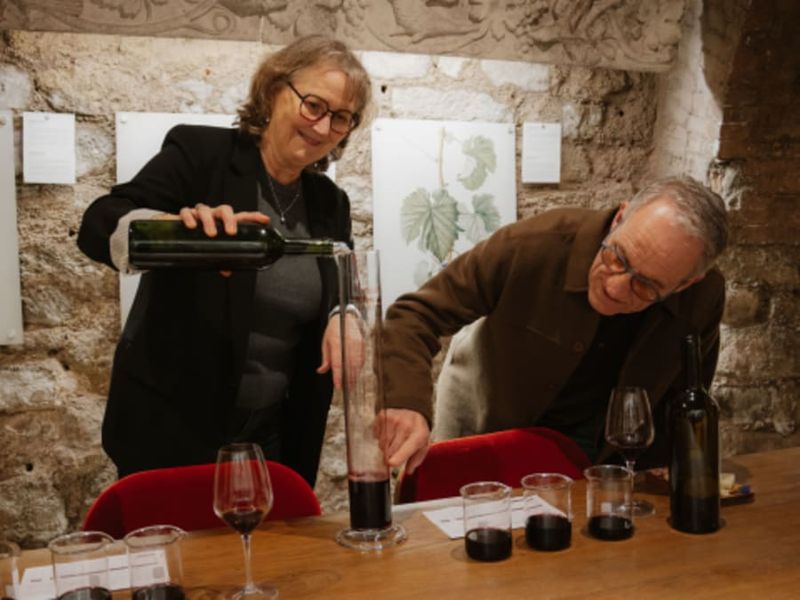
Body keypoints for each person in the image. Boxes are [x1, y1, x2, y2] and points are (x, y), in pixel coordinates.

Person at [77, 35, 371, 486]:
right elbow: (99, 224)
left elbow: (340, 276)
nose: (323, 126)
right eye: (314, 105)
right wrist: (172, 227)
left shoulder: (329, 201)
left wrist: (344, 311)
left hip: (273, 435)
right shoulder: (202, 156)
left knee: (258, 553)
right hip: (174, 427)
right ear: (275, 90)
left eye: (341, 118)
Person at [378, 176, 729, 474]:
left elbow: (687, 399)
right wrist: (406, 402)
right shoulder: (532, 246)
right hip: (490, 423)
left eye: (646, 286)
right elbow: (414, 315)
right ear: (620, 217)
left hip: (600, 446)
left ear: (684, 284)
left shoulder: (703, 298)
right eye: (617, 258)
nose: (615, 287)